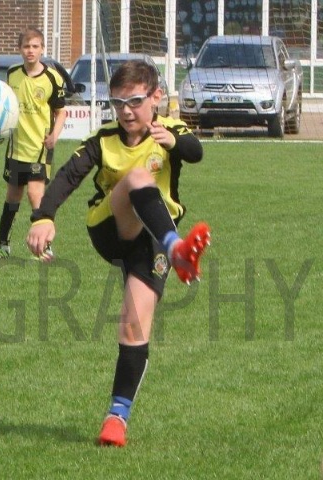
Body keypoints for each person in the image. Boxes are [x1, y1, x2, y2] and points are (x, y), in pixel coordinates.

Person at [26, 60, 211, 447]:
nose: (126, 111)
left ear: (156, 97)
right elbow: (68, 176)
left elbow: (195, 152)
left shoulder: (170, 130)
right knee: (138, 177)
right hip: (110, 227)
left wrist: (173, 142)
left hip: (150, 241)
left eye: (135, 101)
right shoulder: (104, 138)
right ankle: (178, 250)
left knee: (133, 326)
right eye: (118, 103)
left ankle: (116, 419)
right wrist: (43, 216)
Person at [0, 27, 67, 259]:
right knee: (13, 196)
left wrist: (54, 135)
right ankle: (3, 245)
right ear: (20, 49)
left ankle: (44, 246)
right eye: (26, 46)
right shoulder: (12, 73)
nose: (30, 51)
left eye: (35, 46)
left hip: (39, 148)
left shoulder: (52, 78)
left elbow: (61, 111)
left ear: (42, 49)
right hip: (16, 147)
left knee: (35, 195)